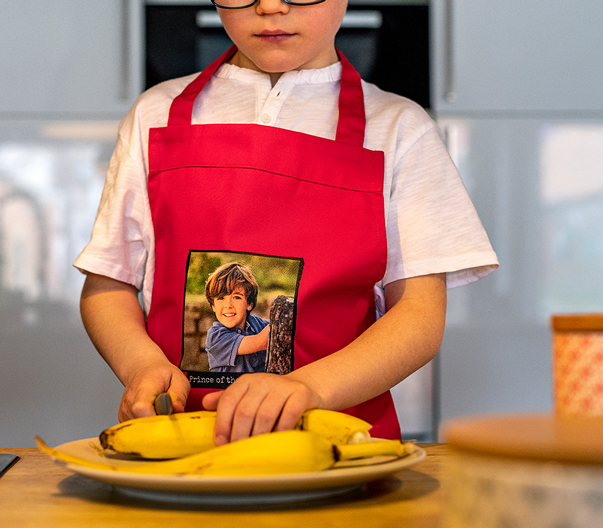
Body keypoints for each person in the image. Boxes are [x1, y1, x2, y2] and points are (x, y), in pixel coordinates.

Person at [76, 0, 498, 446]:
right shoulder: (153, 116)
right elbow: (109, 284)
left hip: (337, 451)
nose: (271, 6)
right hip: (181, 445)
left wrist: (310, 388)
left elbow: (419, 317)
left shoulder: (398, 129)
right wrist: (140, 365)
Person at [204, 262, 270, 374]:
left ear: (249, 303)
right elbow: (262, 341)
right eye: (221, 298)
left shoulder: (257, 324)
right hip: (227, 390)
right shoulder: (215, 337)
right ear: (213, 305)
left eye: (236, 297)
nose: (228, 305)